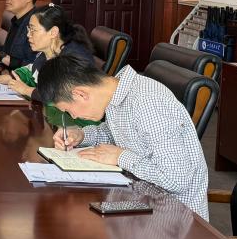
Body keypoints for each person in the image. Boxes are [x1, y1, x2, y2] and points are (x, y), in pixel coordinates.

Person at [35, 55, 209, 218]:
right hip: (138, 201)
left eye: (68, 110)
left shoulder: (148, 102)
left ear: (81, 94)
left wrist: (120, 157)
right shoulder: (116, 94)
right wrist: (81, 135)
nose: (73, 116)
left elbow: (177, 179)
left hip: (172, 219)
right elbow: (116, 133)